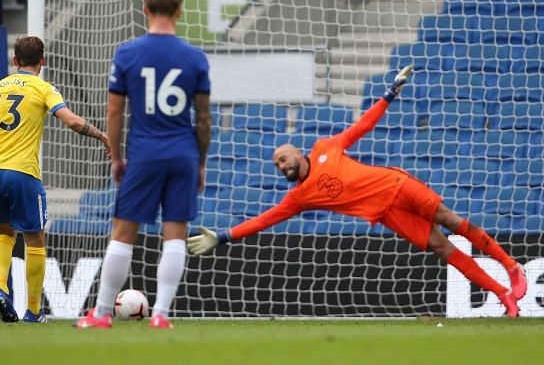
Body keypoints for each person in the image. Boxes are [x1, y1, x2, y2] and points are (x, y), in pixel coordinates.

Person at [187, 65, 528, 317]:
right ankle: (502, 294)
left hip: (397, 185)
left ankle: (511, 265)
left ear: (296, 152)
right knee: (441, 248)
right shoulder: (299, 197)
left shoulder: (326, 147)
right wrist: (224, 236)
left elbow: (361, 126)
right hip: (387, 214)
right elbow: (264, 220)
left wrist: (388, 95)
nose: (281, 166)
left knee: (452, 221)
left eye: (283, 158)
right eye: (277, 165)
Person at [76, 0, 212, 330]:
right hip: (182, 153)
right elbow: (204, 117)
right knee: (175, 234)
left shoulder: (127, 53)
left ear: (145, 10)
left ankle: (102, 314)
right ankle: (161, 316)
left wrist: (116, 157)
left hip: (145, 153)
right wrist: (199, 161)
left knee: (123, 234)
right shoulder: (196, 57)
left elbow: (114, 113)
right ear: (180, 10)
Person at [0, 35, 110, 324]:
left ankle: (0, 289)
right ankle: (33, 311)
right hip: (22, 172)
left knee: (4, 234)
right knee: (35, 238)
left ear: (14, 61)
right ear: (43, 61)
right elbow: (72, 121)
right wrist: (102, 136)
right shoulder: (44, 88)